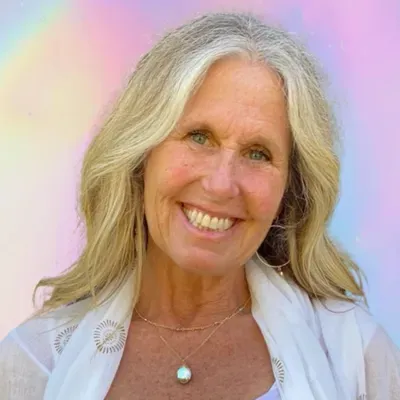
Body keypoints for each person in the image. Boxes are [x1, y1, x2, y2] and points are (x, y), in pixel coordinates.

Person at [0, 11, 399, 400]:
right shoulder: (33, 365)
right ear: (142, 155)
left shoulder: (356, 360)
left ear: (287, 192)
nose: (221, 184)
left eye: (258, 153)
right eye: (199, 137)